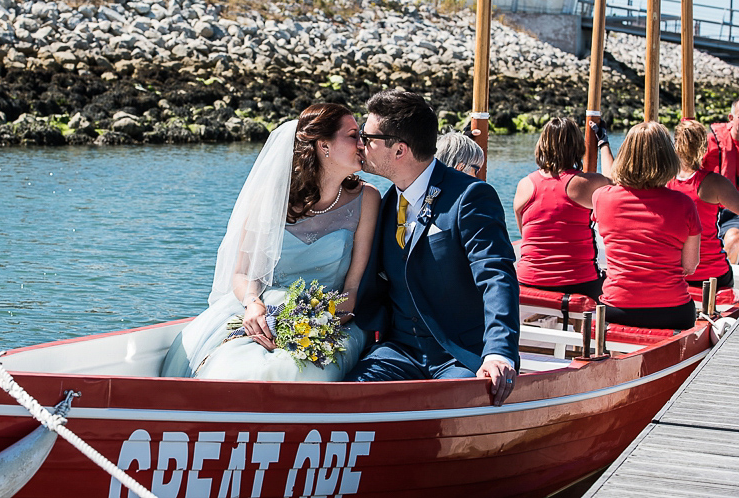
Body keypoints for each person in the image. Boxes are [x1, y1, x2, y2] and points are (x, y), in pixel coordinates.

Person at [160, 103, 381, 381]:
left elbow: (352, 288)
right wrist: (254, 306)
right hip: (263, 310)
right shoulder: (271, 196)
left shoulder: (367, 199)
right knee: (229, 368)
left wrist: (310, 324)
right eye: (353, 136)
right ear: (323, 145)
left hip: (331, 318)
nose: (363, 144)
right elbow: (243, 272)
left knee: (302, 372)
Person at [345, 90, 520, 407]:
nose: (359, 144)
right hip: (397, 349)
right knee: (348, 400)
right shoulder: (384, 202)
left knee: (463, 409)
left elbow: (496, 276)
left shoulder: (470, 196)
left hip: (458, 355)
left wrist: (498, 351)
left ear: (399, 150)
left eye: (367, 137)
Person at [592, 121, 700, 330]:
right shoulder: (684, 204)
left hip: (617, 307)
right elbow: (690, 266)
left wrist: (603, 142)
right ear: (669, 158)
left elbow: (614, 181)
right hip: (672, 310)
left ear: (625, 155)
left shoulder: (601, 198)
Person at [513, 117, 613, 300]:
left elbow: (524, 233)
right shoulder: (586, 183)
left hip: (527, 279)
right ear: (577, 147)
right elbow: (616, 184)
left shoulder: (524, 185)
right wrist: (603, 142)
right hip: (578, 281)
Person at [669, 119, 739, 291]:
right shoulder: (715, 183)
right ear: (703, 147)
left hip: (671, 275)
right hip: (713, 276)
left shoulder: (659, 180)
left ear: (675, 146)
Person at [702, 98, 739, 263]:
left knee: (735, 237)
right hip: (716, 210)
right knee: (734, 238)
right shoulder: (711, 143)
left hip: (735, 210)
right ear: (731, 118)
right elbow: (686, 176)